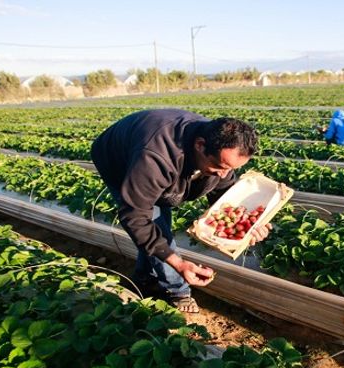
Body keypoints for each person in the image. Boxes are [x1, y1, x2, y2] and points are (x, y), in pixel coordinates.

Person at [91, 109, 272, 313]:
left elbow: (225, 199)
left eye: (230, 168)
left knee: (158, 226)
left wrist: (249, 224)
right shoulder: (155, 157)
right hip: (118, 159)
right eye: (219, 166)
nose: (224, 174)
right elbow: (134, 215)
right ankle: (177, 290)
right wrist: (179, 263)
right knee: (156, 224)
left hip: (155, 157)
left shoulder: (221, 147)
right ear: (200, 145)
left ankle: (144, 278)